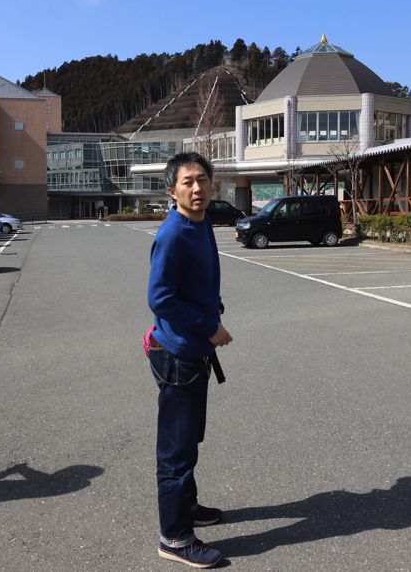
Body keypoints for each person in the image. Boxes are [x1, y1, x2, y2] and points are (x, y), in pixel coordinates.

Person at [147, 152, 232, 568]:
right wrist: (208, 325)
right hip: (178, 355)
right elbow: (160, 298)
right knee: (176, 452)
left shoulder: (201, 222)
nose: (197, 188)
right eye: (187, 182)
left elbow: (197, 282)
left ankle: (188, 507)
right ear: (172, 190)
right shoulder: (173, 233)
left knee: (189, 440)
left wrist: (213, 306)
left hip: (193, 351)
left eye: (203, 179)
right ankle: (175, 537)